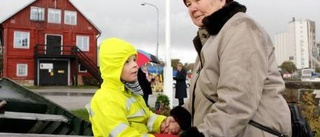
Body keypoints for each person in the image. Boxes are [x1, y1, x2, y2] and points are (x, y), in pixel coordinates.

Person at [169, 0, 292, 137]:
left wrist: (202, 134)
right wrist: (180, 118)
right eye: (189, 4)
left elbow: (237, 102)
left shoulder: (241, 28)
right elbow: (204, 95)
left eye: (197, 0)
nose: (192, 8)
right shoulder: (210, 40)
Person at [86, 38, 180, 137]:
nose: (135, 65)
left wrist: (162, 123)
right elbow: (122, 135)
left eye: (134, 60)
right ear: (113, 68)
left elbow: (146, 117)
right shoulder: (105, 99)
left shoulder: (132, 92)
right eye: (127, 62)